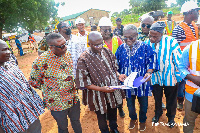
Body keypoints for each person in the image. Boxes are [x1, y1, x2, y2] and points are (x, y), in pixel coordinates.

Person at [29, 33, 82, 133]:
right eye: (61, 46)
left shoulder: (67, 54)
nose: (65, 47)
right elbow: (34, 81)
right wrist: (51, 88)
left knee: (76, 121)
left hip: (73, 98)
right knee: (63, 127)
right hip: (57, 102)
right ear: (51, 47)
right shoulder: (41, 61)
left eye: (65, 44)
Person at [76, 31, 125, 133]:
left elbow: (114, 68)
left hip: (112, 90)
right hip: (97, 94)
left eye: (101, 43)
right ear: (89, 44)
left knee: (113, 109)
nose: (99, 47)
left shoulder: (106, 51)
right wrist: (101, 89)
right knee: (101, 115)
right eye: (96, 45)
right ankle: (104, 131)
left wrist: (118, 75)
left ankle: (114, 127)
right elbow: (84, 82)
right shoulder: (83, 59)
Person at [115, 24, 159, 131]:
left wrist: (149, 73)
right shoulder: (121, 49)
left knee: (143, 106)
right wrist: (118, 74)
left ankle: (142, 120)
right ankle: (133, 118)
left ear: (137, 35)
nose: (128, 40)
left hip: (142, 84)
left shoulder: (144, 47)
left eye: (131, 37)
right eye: (125, 37)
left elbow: (152, 61)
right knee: (130, 107)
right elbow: (114, 65)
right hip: (127, 85)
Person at [0, 39, 44, 133]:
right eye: (4, 50)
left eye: (8, 49)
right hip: (13, 122)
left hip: (30, 114)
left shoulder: (11, 64)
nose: (8, 52)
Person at [146, 21, 182, 128]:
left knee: (171, 99)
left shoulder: (171, 42)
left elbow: (178, 60)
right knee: (157, 98)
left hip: (170, 77)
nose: (152, 38)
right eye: (150, 35)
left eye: (155, 36)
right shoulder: (148, 43)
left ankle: (171, 118)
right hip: (155, 77)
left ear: (162, 34)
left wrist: (178, 76)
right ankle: (158, 114)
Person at [172, 1, 200, 110]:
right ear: (190, 12)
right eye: (197, 11)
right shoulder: (178, 29)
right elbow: (174, 48)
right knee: (181, 83)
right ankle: (180, 100)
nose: (198, 13)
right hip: (182, 62)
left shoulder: (195, 26)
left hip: (194, 61)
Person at [99, 17, 124, 117]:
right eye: (105, 29)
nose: (107, 31)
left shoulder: (116, 39)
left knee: (118, 91)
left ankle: (120, 108)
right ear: (100, 29)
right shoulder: (97, 41)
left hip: (116, 70)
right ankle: (108, 111)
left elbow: (123, 52)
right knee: (106, 92)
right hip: (103, 72)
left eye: (109, 29)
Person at [178, 39, 200, 133]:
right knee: (189, 120)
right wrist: (193, 78)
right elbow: (181, 67)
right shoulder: (190, 48)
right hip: (192, 94)